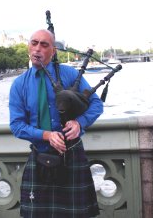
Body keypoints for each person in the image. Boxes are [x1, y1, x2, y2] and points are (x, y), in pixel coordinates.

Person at [9, 29, 104, 217]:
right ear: (29, 47)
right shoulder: (20, 84)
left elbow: (96, 104)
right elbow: (17, 125)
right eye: (34, 43)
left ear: (53, 51)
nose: (37, 49)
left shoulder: (69, 75)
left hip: (72, 154)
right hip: (40, 156)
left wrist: (79, 123)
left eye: (44, 45)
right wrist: (46, 135)